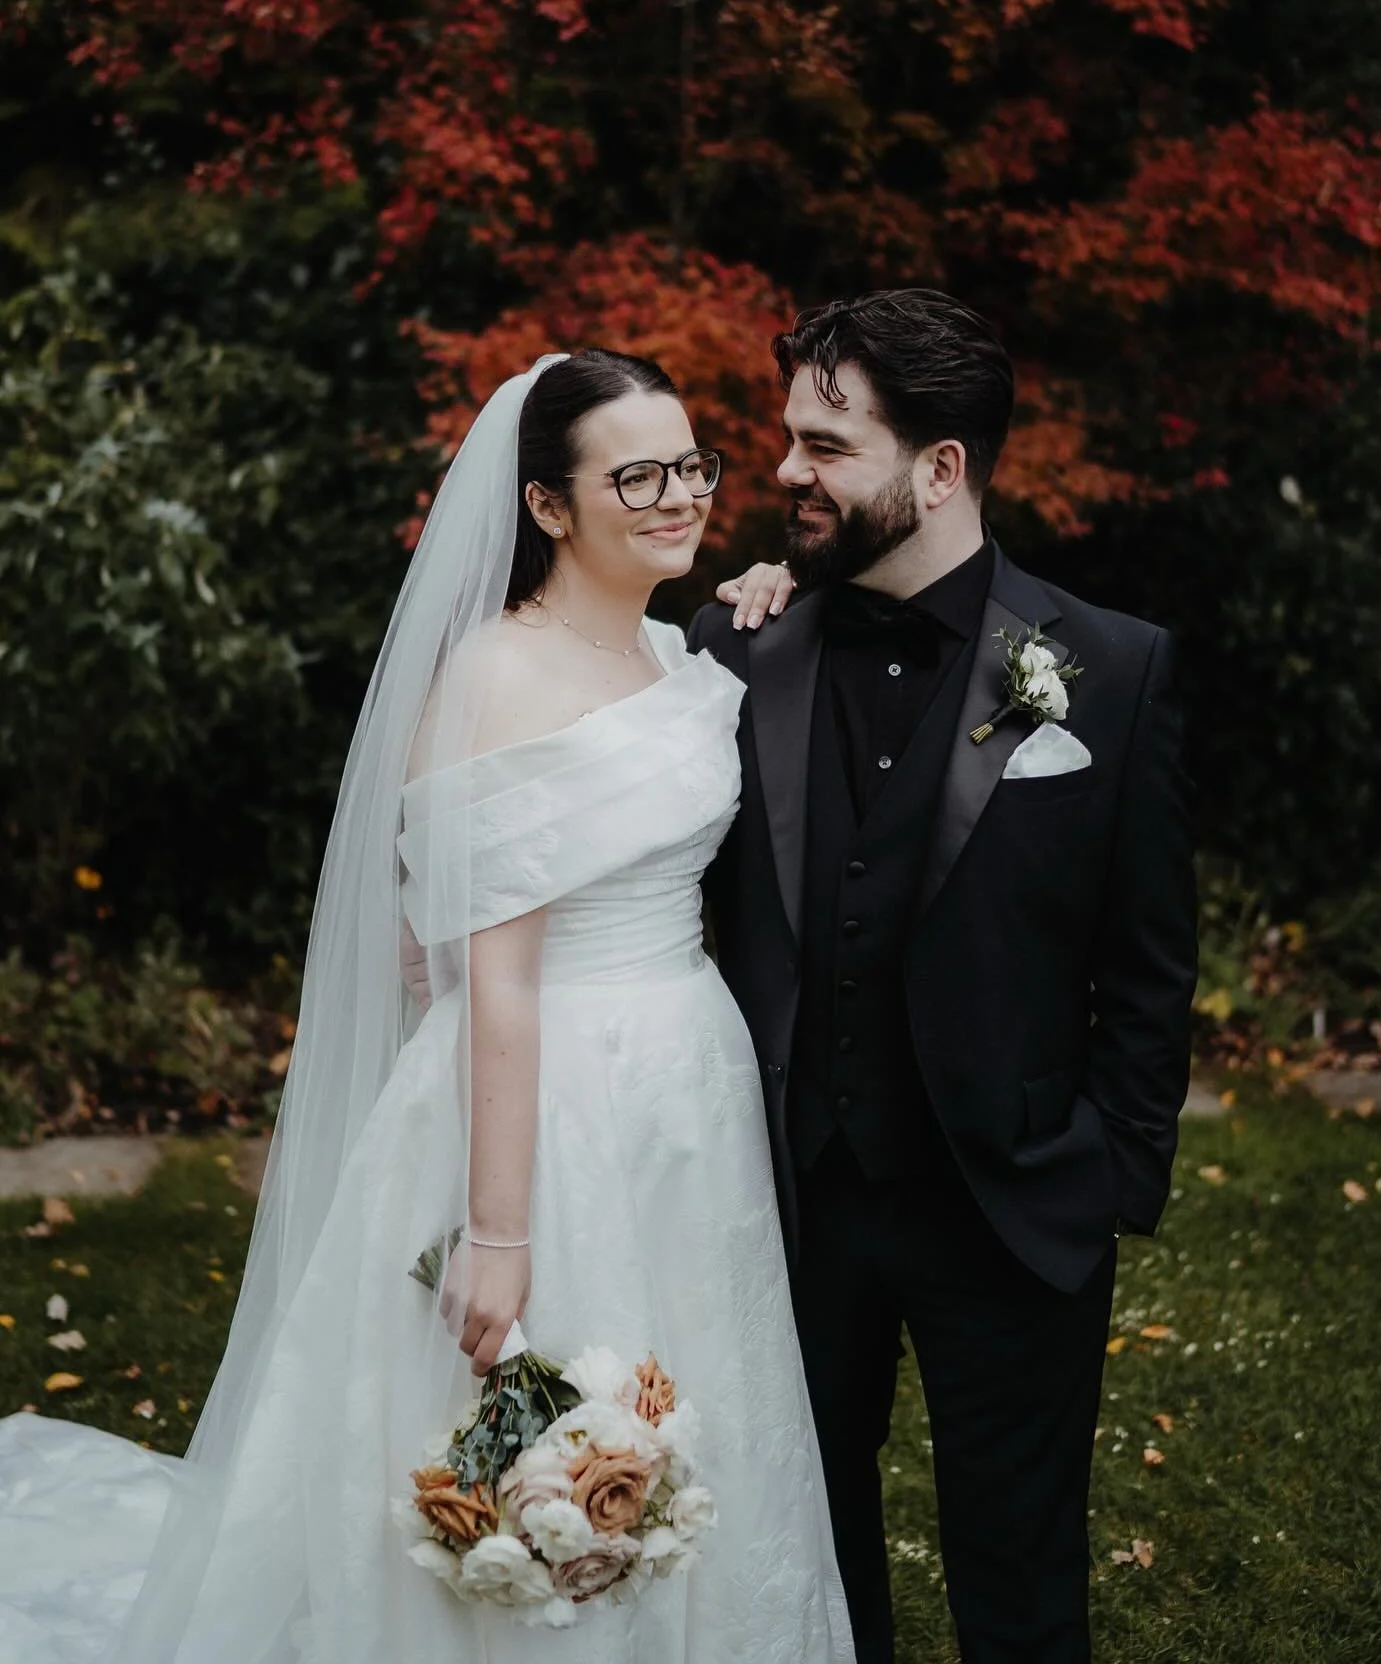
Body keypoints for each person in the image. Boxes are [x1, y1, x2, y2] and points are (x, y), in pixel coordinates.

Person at [0, 351, 853, 1664]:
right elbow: (490, 976)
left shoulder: (680, 650)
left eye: (694, 465)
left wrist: (769, 588)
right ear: (550, 509)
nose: (682, 496)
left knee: (692, 1384)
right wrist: (499, 1234)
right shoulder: (496, 680)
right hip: (545, 1108)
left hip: (687, 1086)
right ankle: (529, 1593)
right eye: (639, 475)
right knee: (537, 1399)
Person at [689, 290, 1198, 1664]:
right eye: (789, 436)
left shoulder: (1108, 669)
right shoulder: (734, 649)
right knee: (801, 1548)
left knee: (1022, 1569)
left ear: (942, 469)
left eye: (827, 443)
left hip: (1013, 1206)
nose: (786, 469)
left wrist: (1108, 1174)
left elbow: (1149, 969)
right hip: (789, 1201)